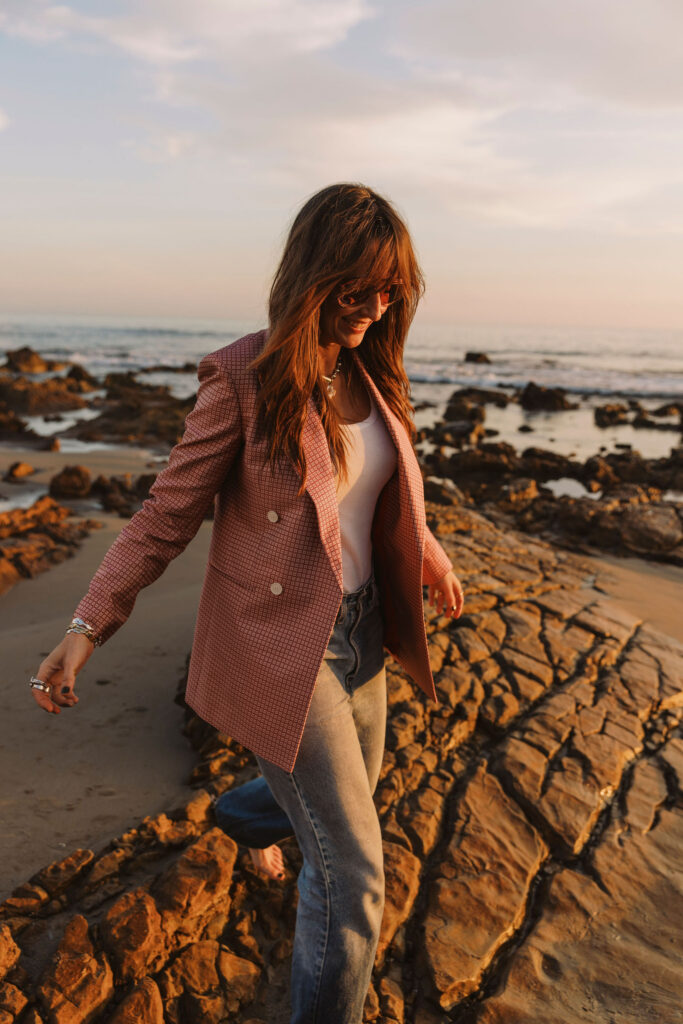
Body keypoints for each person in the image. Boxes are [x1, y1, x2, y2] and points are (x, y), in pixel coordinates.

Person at [30, 183, 464, 1024]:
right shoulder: (242, 378)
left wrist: (431, 551)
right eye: (356, 288)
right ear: (314, 275)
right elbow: (165, 514)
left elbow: (371, 492)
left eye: (389, 289)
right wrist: (86, 627)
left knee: (345, 815)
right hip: (284, 647)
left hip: (365, 632)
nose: (375, 306)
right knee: (353, 873)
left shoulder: (372, 368)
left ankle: (242, 809)